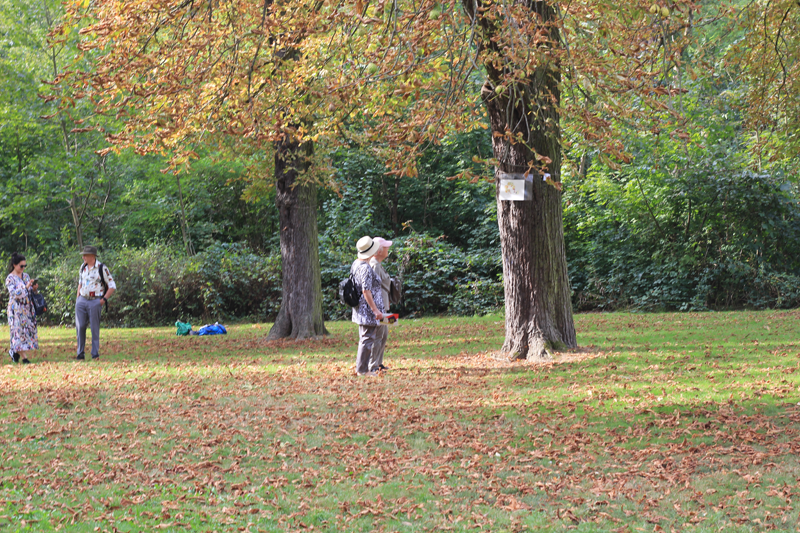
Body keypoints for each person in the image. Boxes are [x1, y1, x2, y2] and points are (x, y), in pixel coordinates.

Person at [75, 245, 116, 361]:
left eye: (85, 255)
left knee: (94, 328)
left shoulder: (101, 268)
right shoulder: (83, 267)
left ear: (92, 256)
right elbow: (80, 283)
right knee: (80, 326)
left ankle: (95, 354)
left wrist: (103, 300)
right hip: (82, 300)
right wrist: (78, 298)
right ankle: (80, 353)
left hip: (95, 301)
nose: (83, 257)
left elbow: (112, 286)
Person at [351, 236, 385, 376]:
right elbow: (366, 290)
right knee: (367, 339)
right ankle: (362, 370)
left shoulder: (356, 263)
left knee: (365, 338)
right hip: (367, 310)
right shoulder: (364, 267)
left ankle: (362, 368)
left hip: (362, 309)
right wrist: (375, 309)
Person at [5, 253, 37, 364]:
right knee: (17, 332)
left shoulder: (26, 276)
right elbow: (15, 294)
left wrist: (33, 288)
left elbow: (28, 292)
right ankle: (24, 358)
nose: (23, 268)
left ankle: (14, 351)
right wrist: (26, 287)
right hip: (15, 309)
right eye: (21, 266)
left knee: (25, 333)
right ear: (14, 265)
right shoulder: (10, 278)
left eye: (24, 266)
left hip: (26, 309)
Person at [369, 237, 393, 372]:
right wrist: (375, 310)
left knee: (384, 335)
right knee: (378, 335)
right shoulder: (375, 265)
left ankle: (379, 362)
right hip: (379, 307)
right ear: (379, 250)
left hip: (384, 305)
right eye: (386, 247)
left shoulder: (379, 263)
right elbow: (373, 288)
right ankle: (373, 365)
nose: (388, 249)